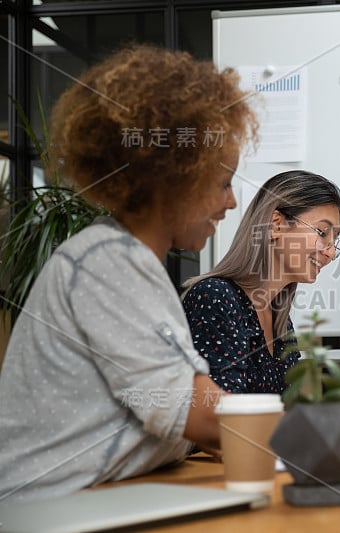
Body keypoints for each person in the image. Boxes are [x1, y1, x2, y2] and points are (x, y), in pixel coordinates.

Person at [0, 45, 256, 503]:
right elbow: (195, 413)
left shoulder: (121, 256)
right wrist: (335, 435)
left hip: (98, 498)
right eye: (222, 182)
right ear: (175, 180)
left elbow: (156, 412)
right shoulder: (106, 261)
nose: (231, 202)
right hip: (49, 510)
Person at [182, 170, 340, 454]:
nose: (331, 253)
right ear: (276, 224)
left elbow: (284, 423)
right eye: (322, 232)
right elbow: (227, 426)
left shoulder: (279, 319)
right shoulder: (215, 297)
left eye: (334, 240)